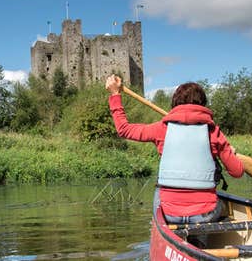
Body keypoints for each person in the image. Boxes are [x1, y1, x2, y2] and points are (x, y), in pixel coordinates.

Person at [105, 75, 244, 227]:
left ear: (174, 104)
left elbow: (124, 130)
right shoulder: (214, 132)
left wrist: (115, 95)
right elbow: (237, 172)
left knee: (160, 189)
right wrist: (230, 152)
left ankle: (168, 235)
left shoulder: (160, 129)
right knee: (221, 204)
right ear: (203, 104)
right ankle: (201, 241)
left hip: (169, 213)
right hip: (204, 216)